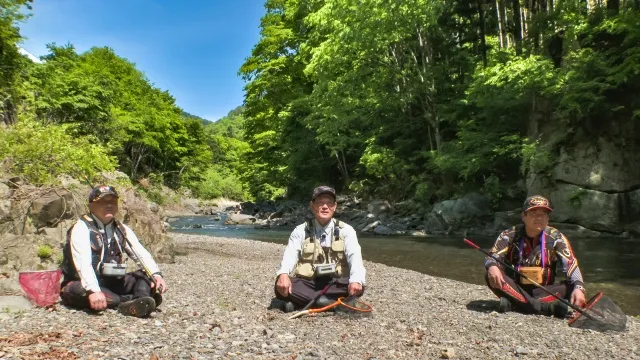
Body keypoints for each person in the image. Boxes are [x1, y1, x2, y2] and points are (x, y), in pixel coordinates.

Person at [60, 185, 168, 317]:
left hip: (112, 282)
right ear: (91, 205)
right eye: (103, 202)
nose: (109, 205)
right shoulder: (81, 228)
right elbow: (83, 263)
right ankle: (127, 301)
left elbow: (140, 252)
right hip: (80, 283)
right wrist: (94, 290)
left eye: (112, 202)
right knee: (110, 298)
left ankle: (142, 299)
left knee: (145, 277)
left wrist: (156, 275)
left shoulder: (121, 229)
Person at [484, 195, 586, 318]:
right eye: (533, 213)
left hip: (545, 290)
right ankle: (545, 308)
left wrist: (579, 288)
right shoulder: (509, 235)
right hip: (517, 287)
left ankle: (516, 304)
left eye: (544, 214)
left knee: (571, 286)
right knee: (491, 275)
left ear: (548, 218)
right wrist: (492, 266)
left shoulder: (556, 237)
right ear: (523, 216)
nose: (539, 218)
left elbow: (571, 264)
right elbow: (492, 256)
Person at [273, 186, 366, 312]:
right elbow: (290, 254)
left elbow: (355, 257)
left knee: (357, 285)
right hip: (309, 282)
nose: (325, 207)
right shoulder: (300, 230)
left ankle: (303, 303)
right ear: (312, 205)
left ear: (335, 206)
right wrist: (283, 273)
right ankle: (331, 304)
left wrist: (356, 281)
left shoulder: (347, 231)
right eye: (320, 203)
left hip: (336, 282)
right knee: (280, 287)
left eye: (329, 203)